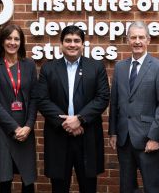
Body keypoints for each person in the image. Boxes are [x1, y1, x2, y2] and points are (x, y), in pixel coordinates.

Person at [34, 25, 110, 193]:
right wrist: (67, 123)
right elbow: (42, 99)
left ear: (83, 44)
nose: (72, 44)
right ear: (61, 44)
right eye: (68, 40)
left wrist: (79, 119)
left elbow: (102, 97)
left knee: (88, 187)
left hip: (87, 135)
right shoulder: (48, 68)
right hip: (58, 137)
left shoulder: (96, 67)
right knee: (59, 188)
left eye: (77, 41)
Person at [108, 21, 159, 193]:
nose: (137, 41)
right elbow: (114, 102)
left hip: (147, 140)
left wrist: (154, 137)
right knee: (126, 187)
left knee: (152, 187)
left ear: (148, 40)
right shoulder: (120, 67)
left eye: (141, 37)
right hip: (124, 139)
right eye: (133, 37)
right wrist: (113, 131)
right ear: (127, 40)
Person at [0, 24, 37, 193]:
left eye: (16, 39)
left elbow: (35, 98)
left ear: (21, 42)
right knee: (5, 180)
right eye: (9, 38)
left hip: (26, 130)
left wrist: (28, 126)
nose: (12, 42)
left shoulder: (29, 65)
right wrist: (15, 128)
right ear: (1, 41)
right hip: (3, 129)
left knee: (27, 180)